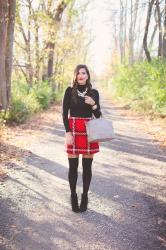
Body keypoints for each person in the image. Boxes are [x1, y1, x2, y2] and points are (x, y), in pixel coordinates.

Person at [62, 64, 102, 213]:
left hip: (88, 131)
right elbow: (64, 113)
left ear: (87, 75)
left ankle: (85, 196)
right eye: (78, 73)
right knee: (73, 167)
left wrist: (93, 105)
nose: (81, 75)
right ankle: (73, 196)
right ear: (75, 75)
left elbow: (98, 115)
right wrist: (67, 132)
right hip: (73, 130)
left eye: (83, 73)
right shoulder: (68, 91)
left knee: (87, 167)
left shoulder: (94, 92)